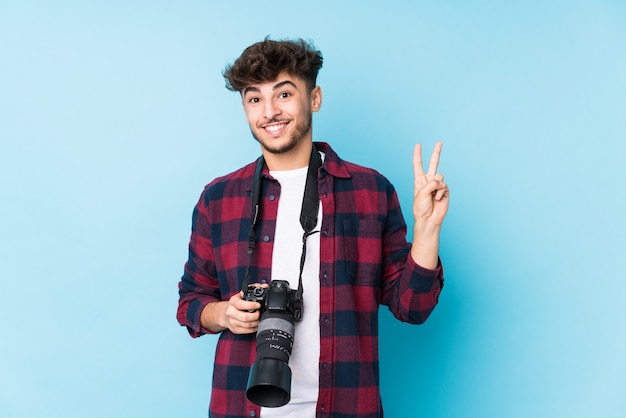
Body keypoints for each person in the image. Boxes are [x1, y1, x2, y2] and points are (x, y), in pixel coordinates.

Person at [177, 37, 449, 418]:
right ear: (244, 108)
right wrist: (223, 313)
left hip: (346, 406)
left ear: (315, 98)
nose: (270, 111)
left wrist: (427, 229)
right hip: (241, 407)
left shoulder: (370, 191)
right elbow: (191, 302)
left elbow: (413, 308)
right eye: (255, 99)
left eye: (284, 94)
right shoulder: (218, 198)